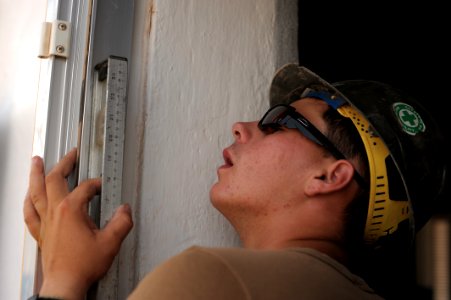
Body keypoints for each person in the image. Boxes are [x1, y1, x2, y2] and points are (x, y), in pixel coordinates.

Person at [24, 64, 448, 300]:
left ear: (329, 176)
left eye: (281, 122)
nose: (243, 127)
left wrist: (64, 279)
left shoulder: (214, 280)